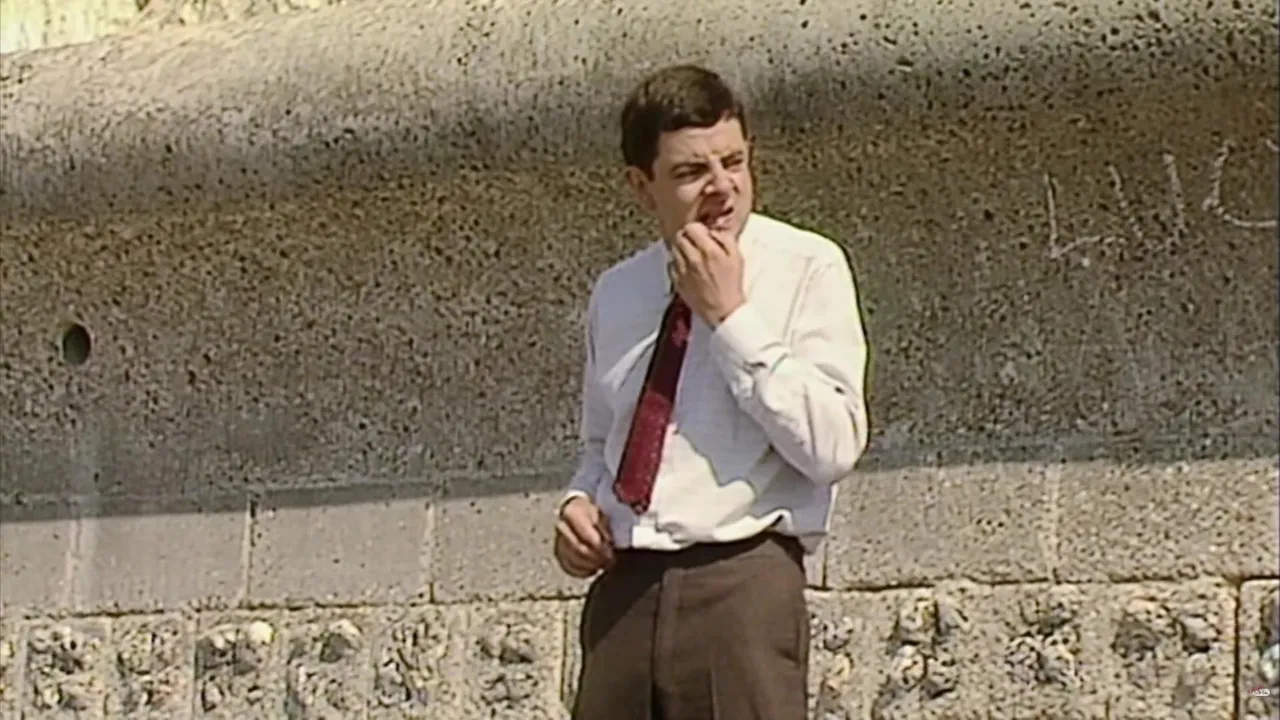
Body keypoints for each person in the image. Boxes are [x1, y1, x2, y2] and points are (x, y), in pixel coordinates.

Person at [552, 64, 870, 720]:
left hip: (741, 585)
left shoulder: (807, 268)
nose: (723, 187)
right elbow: (600, 445)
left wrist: (731, 319)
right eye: (692, 171)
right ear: (642, 186)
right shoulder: (618, 292)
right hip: (624, 594)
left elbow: (834, 446)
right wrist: (578, 505)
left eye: (734, 162)